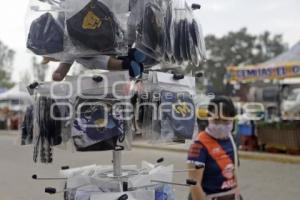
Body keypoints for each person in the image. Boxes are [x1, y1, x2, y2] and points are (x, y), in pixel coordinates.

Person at [187, 96, 241, 200]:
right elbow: (194, 183)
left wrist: (237, 194)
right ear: (208, 118)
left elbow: (234, 172)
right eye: (216, 121)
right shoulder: (198, 144)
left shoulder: (231, 140)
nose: (221, 125)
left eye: (225, 121)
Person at [42, 48, 146, 81]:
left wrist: (57, 75)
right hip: (98, 43)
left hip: (92, 58)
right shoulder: (67, 46)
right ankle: (132, 54)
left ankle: (129, 66)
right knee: (116, 49)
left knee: (109, 62)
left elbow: (61, 70)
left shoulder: (66, 54)